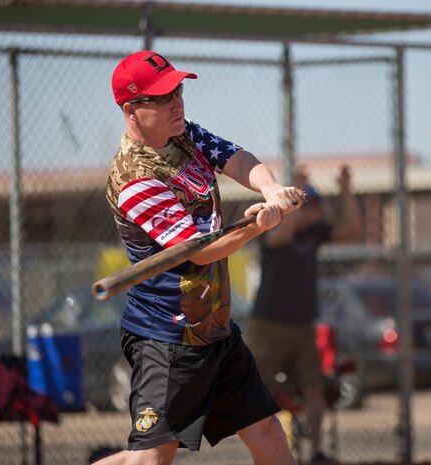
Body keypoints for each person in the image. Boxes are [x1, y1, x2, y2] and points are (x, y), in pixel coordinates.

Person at [95, 50, 304, 465]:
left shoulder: (182, 133)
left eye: (178, 89)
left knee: (268, 434)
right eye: (161, 96)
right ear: (131, 110)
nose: (177, 101)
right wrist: (257, 227)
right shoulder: (135, 180)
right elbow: (200, 250)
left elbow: (234, 157)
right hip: (167, 337)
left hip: (214, 327)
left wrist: (271, 189)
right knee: (152, 459)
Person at [246, 165, 362, 464]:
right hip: (269, 324)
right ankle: (265, 454)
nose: (313, 214)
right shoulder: (272, 226)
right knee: (263, 390)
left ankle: (315, 452)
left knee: (314, 389)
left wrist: (346, 189)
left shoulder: (315, 233)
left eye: (315, 208)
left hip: (303, 324)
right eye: (308, 207)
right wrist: (296, 196)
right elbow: (280, 238)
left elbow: (352, 230)